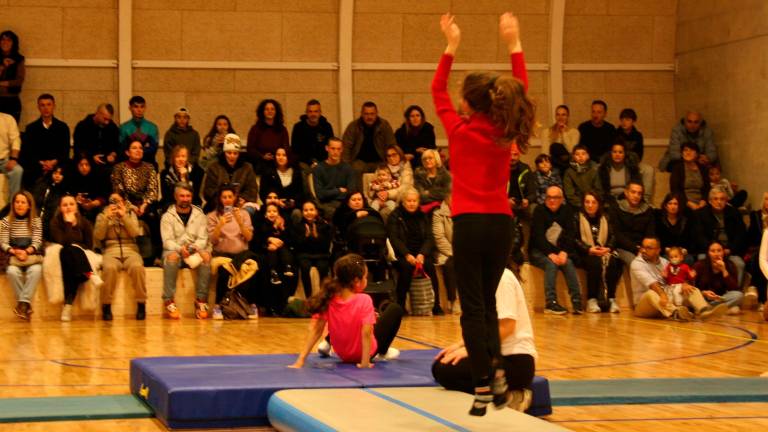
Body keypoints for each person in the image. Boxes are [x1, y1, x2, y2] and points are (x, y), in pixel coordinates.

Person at [434, 12, 535, 415]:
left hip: (469, 224)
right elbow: (521, 92)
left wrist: (451, 45)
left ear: (466, 101)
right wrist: (514, 43)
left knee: (473, 308)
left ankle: (483, 380)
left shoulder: (458, 130)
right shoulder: (504, 129)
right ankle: (492, 375)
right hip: (502, 224)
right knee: (488, 306)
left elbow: (435, 86)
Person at [432, 258, 536, 412]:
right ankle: (498, 395)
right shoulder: (484, 281)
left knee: (446, 371)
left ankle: (513, 396)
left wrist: (472, 351)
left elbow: (507, 326)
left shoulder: (502, 278)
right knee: (441, 366)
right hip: (494, 355)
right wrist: (459, 345)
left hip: (514, 361)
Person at [289, 254, 404, 369]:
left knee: (352, 319)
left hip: (343, 354)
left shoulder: (329, 298)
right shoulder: (364, 299)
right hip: (365, 354)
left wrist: (300, 360)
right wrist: (365, 363)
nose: (366, 280)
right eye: (365, 277)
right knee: (395, 309)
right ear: (356, 281)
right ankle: (382, 352)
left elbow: (316, 331)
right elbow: (366, 333)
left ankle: (327, 343)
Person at [631, 237, 728, 321]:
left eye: (648, 248)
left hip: (664, 303)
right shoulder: (637, 264)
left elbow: (675, 279)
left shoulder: (665, 262)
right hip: (645, 305)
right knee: (651, 293)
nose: (643, 250)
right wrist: (663, 295)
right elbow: (653, 285)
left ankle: (704, 311)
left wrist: (684, 284)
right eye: (643, 247)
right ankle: (676, 313)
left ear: (658, 250)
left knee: (691, 289)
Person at [160, 183, 211, 320]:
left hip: (193, 250)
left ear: (192, 197)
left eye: (188, 196)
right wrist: (180, 249)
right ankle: (169, 300)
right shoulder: (167, 216)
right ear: (176, 197)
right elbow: (167, 241)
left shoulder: (200, 215)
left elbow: (203, 239)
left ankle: (201, 300)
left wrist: (194, 248)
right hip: (175, 250)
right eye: (182, 196)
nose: (185, 199)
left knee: (206, 257)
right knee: (172, 257)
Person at [93, 193, 146, 321]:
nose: (116, 204)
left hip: (131, 250)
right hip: (111, 250)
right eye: (113, 201)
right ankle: (106, 305)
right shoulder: (102, 215)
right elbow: (98, 236)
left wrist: (124, 217)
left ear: (123, 202)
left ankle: (141, 304)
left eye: (119, 201)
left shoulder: (130, 214)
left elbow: (135, 232)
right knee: (109, 268)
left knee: (137, 267)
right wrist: (106, 219)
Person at [529, 186, 582, 314]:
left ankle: (576, 301)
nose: (552, 200)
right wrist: (550, 253)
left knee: (568, 263)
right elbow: (538, 237)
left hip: (559, 251)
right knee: (551, 264)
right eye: (549, 197)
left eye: (555, 197)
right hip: (539, 251)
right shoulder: (539, 211)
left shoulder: (567, 211)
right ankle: (550, 302)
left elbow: (571, 234)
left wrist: (564, 252)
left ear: (562, 199)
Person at [387, 188, 442, 315]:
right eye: (409, 201)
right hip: (401, 254)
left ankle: (436, 305)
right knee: (406, 268)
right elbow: (393, 238)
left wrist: (422, 253)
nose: (411, 203)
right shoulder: (395, 216)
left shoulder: (423, 216)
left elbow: (429, 237)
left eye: (414, 201)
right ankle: (400, 306)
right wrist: (407, 254)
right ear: (403, 202)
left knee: (429, 266)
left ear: (418, 202)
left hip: (420, 254)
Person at [49, 195, 103, 322]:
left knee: (71, 268)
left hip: (79, 255)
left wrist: (75, 245)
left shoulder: (84, 222)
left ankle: (67, 306)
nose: (68, 207)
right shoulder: (55, 222)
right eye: (65, 205)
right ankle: (89, 274)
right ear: (60, 208)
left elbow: (88, 245)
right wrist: (68, 224)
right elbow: (62, 241)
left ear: (76, 207)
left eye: (71, 204)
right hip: (63, 252)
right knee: (68, 250)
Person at [206, 185, 255, 320]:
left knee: (251, 267)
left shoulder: (244, 214)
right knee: (224, 270)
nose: (227, 200)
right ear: (220, 199)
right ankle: (218, 306)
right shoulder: (212, 216)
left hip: (241, 254)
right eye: (224, 197)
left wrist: (240, 223)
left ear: (234, 198)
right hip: (222, 253)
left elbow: (249, 237)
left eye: (230, 197)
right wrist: (220, 225)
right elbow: (213, 240)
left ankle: (247, 305)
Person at [111, 140, 161, 262]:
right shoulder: (119, 168)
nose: (138, 150)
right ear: (127, 152)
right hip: (125, 202)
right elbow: (118, 191)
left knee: (155, 218)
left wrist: (144, 205)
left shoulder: (149, 167)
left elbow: (152, 189)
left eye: (140, 148)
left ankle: (155, 256)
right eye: (134, 148)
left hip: (145, 203)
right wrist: (131, 206)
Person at [574, 192, 623, 313]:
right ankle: (592, 300)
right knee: (595, 262)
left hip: (603, 251)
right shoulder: (577, 217)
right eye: (587, 202)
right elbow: (574, 239)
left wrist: (608, 248)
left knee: (613, 261)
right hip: (584, 253)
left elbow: (613, 236)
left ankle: (611, 299)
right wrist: (588, 249)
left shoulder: (606, 217)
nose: (590, 205)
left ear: (599, 204)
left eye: (593, 202)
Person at [1, 191, 42, 320]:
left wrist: (27, 252)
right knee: (12, 271)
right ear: (13, 204)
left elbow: (37, 241)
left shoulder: (36, 220)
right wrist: (15, 252)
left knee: (36, 270)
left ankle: (22, 305)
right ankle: (25, 306)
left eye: (23, 202)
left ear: (29, 205)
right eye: (17, 202)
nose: (19, 205)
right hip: (14, 254)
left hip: (30, 255)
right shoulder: (6, 221)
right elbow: (3, 242)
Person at [693, 187, 747, 285]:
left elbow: (741, 235)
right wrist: (714, 251)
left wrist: (730, 249)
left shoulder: (734, 213)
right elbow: (699, 236)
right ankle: (706, 291)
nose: (719, 202)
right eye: (716, 199)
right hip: (708, 251)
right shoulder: (700, 214)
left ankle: (735, 290)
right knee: (701, 261)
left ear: (726, 201)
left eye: (722, 199)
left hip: (729, 251)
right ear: (709, 201)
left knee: (740, 264)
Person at [19, 93, 70, 190]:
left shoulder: (63, 127)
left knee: (67, 168)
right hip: (37, 165)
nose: (46, 108)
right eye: (42, 105)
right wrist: (42, 163)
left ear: (54, 106)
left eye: (48, 104)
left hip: (57, 164)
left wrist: (53, 162)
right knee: (27, 169)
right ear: (38, 107)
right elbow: (28, 152)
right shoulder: (31, 128)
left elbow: (65, 151)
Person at [201, 133, 259, 214]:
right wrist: (224, 200)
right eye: (229, 153)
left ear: (239, 154)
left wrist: (241, 199)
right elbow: (208, 191)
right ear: (224, 153)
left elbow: (252, 190)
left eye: (235, 153)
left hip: (240, 204)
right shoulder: (214, 167)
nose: (232, 156)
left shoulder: (247, 168)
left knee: (249, 211)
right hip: (218, 204)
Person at [341, 101, 396, 183]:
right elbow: (346, 147)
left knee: (384, 173)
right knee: (355, 170)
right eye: (366, 114)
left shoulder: (384, 125)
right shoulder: (353, 126)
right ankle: (359, 194)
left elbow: (391, 145)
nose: (369, 117)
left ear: (376, 113)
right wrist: (346, 166)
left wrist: (392, 162)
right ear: (362, 114)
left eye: (372, 114)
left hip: (380, 160)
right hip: (359, 161)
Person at [291, 200, 332, 299]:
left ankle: (323, 296)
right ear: (302, 212)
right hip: (304, 254)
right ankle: (308, 297)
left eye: (311, 210)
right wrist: (306, 236)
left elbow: (326, 245)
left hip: (321, 254)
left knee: (323, 267)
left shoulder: (324, 225)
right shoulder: (298, 226)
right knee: (305, 268)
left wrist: (317, 236)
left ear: (316, 211)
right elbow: (297, 245)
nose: (309, 212)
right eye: (306, 210)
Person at [609, 181, 655, 267]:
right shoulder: (616, 208)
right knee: (637, 264)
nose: (636, 196)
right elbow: (617, 234)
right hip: (623, 247)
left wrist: (647, 248)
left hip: (643, 247)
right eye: (633, 192)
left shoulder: (647, 210)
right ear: (626, 193)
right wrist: (635, 248)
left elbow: (650, 233)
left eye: (639, 193)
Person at [693, 241, 743, 314]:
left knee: (739, 295)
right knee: (691, 294)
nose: (716, 254)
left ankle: (708, 309)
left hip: (720, 298)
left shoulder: (730, 265)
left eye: (719, 251)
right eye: (712, 251)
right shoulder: (699, 265)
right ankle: (719, 309)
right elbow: (693, 286)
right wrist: (703, 293)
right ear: (708, 253)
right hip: (703, 297)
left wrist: (724, 270)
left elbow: (735, 288)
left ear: (723, 252)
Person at [312, 137, 356, 219]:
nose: (335, 152)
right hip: (325, 205)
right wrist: (339, 190)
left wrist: (329, 193)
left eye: (338, 149)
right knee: (333, 212)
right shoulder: (318, 169)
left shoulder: (348, 168)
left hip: (343, 204)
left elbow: (351, 192)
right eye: (333, 149)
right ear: (327, 148)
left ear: (342, 150)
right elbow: (320, 195)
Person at [254, 202, 295, 287]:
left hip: (282, 247)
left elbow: (289, 238)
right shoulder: (264, 224)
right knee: (272, 251)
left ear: (278, 214)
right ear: (265, 215)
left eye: (274, 211)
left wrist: (281, 232)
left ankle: (288, 266)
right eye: (269, 211)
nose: (272, 213)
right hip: (268, 248)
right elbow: (262, 235)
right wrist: (272, 236)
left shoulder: (283, 224)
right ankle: (273, 271)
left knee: (284, 250)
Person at [258, 147, 304, 221]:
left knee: (297, 213)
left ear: (288, 157)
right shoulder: (268, 172)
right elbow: (263, 193)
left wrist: (294, 202)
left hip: (292, 207)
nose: (280, 157)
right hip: (273, 207)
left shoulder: (296, 172)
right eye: (278, 155)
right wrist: (276, 201)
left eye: (284, 155)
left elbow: (301, 193)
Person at [246, 99, 289, 174]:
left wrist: (278, 157)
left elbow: (286, 148)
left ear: (276, 112)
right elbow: (250, 148)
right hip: (260, 162)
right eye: (267, 109)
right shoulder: (255, 129)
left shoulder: (282, 129)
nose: (270, 111)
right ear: (262, 112)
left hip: (278, 161)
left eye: (272, 109)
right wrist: (262, 156)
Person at [290, 99, 334, 174]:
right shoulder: (298, 127)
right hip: (304, 162)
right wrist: (310, 162)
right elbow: (295, 150)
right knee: (301, 171)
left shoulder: (327, 126)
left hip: (323, 161)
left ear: (320, 113)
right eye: (310, 111)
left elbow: (330, 147)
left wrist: (320, 163)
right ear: (306, 113)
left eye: (316, 111)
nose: (313, 114)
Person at [73, 103, 120, 171]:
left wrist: (113, 155)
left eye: (109, 120)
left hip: (106, 167)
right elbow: (78, 149)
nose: (107, 122)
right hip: (87, 165)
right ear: (97, 114)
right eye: (105, 119)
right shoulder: (82, 126)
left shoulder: (112, 127)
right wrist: (91, 157)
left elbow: (117, 146)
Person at [432, 195, 458, 313]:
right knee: (450, 265)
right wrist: (454, 253)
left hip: (464, 250)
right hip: (446, 252)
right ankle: (452, 301)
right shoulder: (438, 214)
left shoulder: (466, 212)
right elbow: (439, 238)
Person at [160, 145, 204, 210]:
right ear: (173, 158)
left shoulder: (197, 172)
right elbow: (166, 195)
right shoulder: (165, 174)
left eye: (183, 156)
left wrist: (183, 179)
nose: (180, 159)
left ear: (187, 158)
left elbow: (194, 194)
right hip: (171, 203)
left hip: (192, 202)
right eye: (177, 156)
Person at [597, 140, 642, 205]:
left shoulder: (632, 168)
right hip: (608, 200)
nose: (617, 155)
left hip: (627, 199)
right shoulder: (603, 169)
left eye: (620, 152)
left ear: (625, 154)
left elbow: (637, 186)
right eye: (614, 152)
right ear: (610, 153)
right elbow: (601, 189)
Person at [68, 154, 109, 223]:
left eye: (87, 165)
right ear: (77, 166)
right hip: (77, 207)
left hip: (96, 207)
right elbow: (69, 193)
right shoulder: (72, 177)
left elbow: (105, 195)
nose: (84, 167)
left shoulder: (98, 176)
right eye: (81, 165)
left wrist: (94, 203)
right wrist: (75, 198)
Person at [655, 193, 694, 264]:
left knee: (689, 259)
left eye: (675, 204)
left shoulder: (685, 221)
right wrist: (665, 249)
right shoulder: (659, 221)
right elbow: (658, 239)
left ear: (679, 206)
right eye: (670, 203)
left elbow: (690, 239)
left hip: (681, 252)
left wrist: (685, 250)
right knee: (665, 259)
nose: (673, 206)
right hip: (666, 252)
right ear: (665, 206)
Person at [119, 95, 159, 165]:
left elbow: (153, 150)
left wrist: (134, 151)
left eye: (142, 106)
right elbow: (122, 150)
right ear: (130, 108)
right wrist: (144, 148)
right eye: (136, 106)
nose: (139, 110)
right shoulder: (124, 128)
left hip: (148, 165)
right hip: (128, 166)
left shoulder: (152, 127)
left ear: (145, 108)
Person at [669, 141, 709, 212]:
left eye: (691, 150)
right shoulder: (677, 168)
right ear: (682, 153)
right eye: (685, 150)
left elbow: (707, 188)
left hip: (702, 203)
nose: (688, 152)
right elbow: (675, 190)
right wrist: (688, 203)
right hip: (684, 203)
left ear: (697, 154)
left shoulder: (703, 168)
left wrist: (704, 200)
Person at [746, 192, 768, 309]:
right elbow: (751, 236)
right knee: (759, 258)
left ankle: (753, 286)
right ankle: (762, 299)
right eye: (766, 199)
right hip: (758, 249)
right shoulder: (755, 215)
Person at [544, 104, 580, 174]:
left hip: (569, 161)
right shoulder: (546, 132)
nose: (560, 117)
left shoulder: (574, 132)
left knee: (556, 147)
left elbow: (572, 151)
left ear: (568, 117)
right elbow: (545, 153)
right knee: (554, 147)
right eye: (558, 115)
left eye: (563, 115)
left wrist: (564, 133)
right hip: (553, 164)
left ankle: (566, 168)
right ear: (555, 116)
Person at [563, 144, 600, 209]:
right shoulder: (569, 172)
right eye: (577, 154)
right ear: (573, 156)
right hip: (577, 205)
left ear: (588, 156)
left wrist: (591, 203)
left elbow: (599, 189)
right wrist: (582, 205)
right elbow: (570, 194)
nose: (580, 156)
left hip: (593, 202)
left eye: (583, 154)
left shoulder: (594, 169)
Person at [35, 166, 67, 241]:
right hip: (38, 216)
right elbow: (36, 200)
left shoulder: (64, 191)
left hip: (52, 222)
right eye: (55, 173)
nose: (57, 176)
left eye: (60, 174)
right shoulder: (43, 185)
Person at [0, 30, 25, 122]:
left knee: (11, 131)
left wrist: (1, 83)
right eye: (2, 39)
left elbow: (18, 81)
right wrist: (3, 67)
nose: (5, 42)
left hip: (12, 100)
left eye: (9, 40)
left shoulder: (19, 59)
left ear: (13, 43)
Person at [0, 110, 23, 205]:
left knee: (17, 170)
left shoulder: (7, 119)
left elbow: (15, 140)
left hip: (3, 160)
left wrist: (13, 159)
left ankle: (12, 205)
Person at [507, 144, 536, 216]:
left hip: (522, 204)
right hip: (504, 204)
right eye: (509, 155)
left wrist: (528, 200)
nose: (512, 158)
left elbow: (532, 192)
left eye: (515, 155)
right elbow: (493, 193)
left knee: (535, 209)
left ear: (519, 155)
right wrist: (505, 201)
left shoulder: (525, 169)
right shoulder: (499, 169)